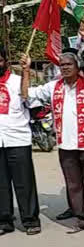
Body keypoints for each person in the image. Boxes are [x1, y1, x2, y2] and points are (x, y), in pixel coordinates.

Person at [22, 51, 84, 233]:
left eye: (69, 64)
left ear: (77, 67)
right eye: (62, 65)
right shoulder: (53, 87)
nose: (65, 67)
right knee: (73, 185)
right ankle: (82, 219)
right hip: (65, 145)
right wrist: (26, 70)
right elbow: (26, 95)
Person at [0, 48, 41, 235]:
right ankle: (4, 220)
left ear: (6, 61)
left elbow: (28, 100)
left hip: (17, 138)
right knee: (1, 183)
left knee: (24, 182)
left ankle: (30, 219)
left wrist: (26, 71)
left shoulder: (17, 82)